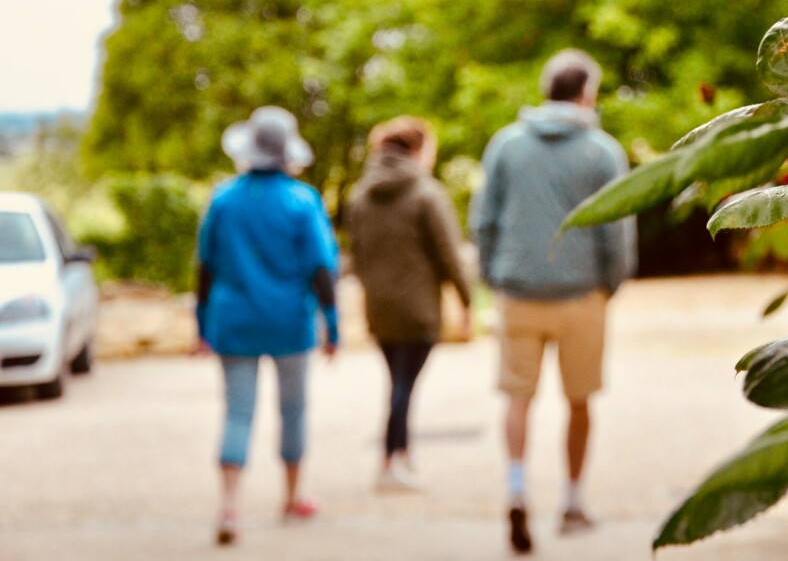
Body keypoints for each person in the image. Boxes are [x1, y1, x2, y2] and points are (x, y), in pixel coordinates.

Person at [470, 49, 636, 554]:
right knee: (579, 400)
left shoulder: (505, 145)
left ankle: (517, 489)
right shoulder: (602, 150)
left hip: (518, 291)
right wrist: (609, 284)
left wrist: (493, 276)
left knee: (517, 396)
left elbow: (484, 221)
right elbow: (617, 226)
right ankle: (572, 501)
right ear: (586, 92)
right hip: (580, 294)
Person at [193, 106, 340, 546]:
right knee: (292, 410)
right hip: (290, 323)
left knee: (238, 411)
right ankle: (292, 497)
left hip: (233, 322)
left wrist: (200, 324)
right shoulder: (302, 200)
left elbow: (204, 268)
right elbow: (321, 268)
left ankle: (229, 507)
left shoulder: (223, 199)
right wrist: (333, 325)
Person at [345, 115, 474, 492]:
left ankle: (401, 453)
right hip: (419, 310)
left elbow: (358, 255)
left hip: (380, 309)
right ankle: (391, 460)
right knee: (404, 386)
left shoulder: (359, 195)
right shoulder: (427, 193)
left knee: (398, 382)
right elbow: (449, 254)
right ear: (418, 149)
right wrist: (466, 301)